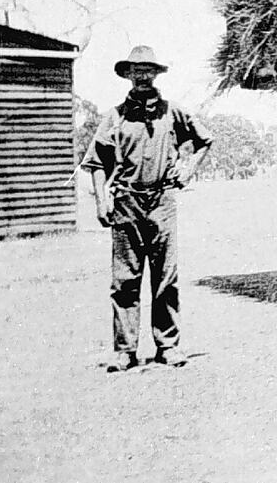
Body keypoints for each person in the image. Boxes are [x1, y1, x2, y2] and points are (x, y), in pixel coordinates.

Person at [82, 45, 213, 372]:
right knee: (125, 281)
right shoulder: (115, 116)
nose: (142, 76)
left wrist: (189, 167)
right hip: (126, 202)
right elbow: (98, 162)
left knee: (165, 279)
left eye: (148, 70)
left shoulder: (171, 112)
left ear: (156, 74)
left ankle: (168, 346)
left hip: (162, 202)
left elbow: (204, 140)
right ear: (127, 75)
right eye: (135, 71)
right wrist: (101, 201)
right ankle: (125, 350)